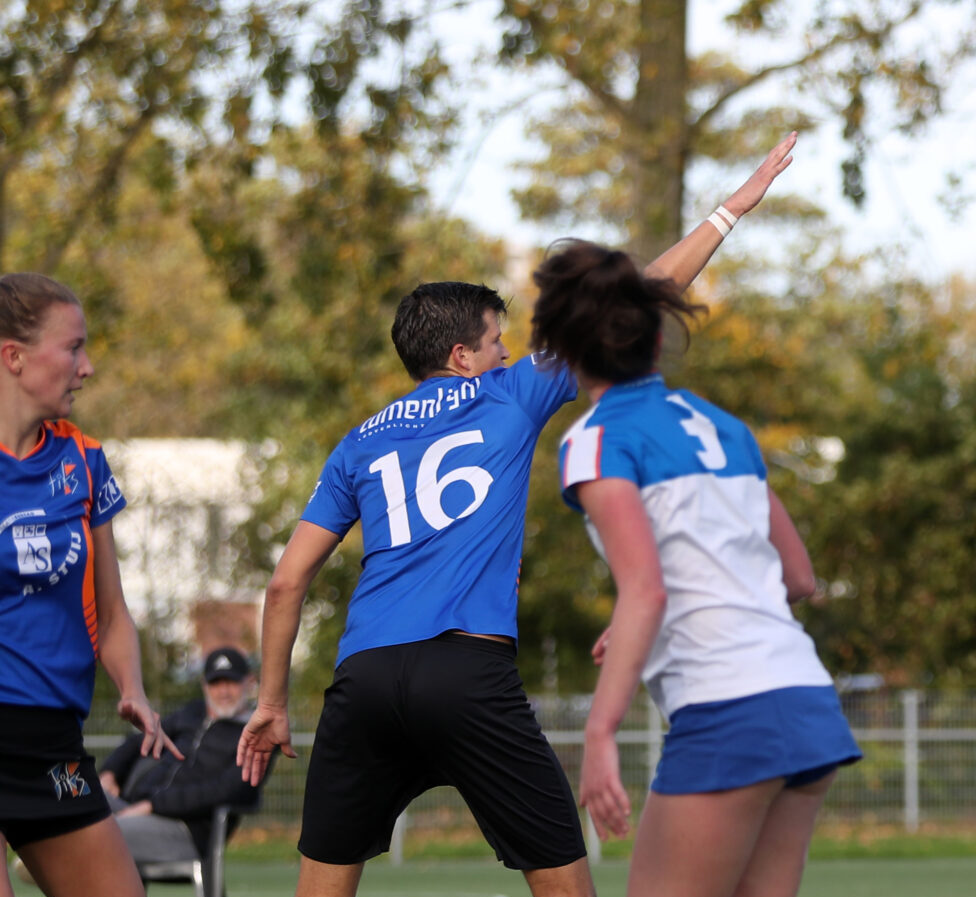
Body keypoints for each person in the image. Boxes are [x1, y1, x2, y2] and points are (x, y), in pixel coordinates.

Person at [235, 133, 801, 897]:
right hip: (465, 669)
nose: (508, 354)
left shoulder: (356, 443)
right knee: (565, 886)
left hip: (363, 677)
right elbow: (633, 299)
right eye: (497, 342)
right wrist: (732, 209)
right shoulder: (506, 395)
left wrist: (271, 702)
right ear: (464, 356)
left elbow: (286, 583)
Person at [530, 238, 860, 897]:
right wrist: (639, 625)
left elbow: (645, 590)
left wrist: (599, 734)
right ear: (656, 343)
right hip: (806, 702)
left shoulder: (595, 440)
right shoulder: (724, 426)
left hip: (728, 711)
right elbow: (796, 578)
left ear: (563, 355)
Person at [0, 272, 180, 897]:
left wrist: (132, 687)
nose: (88, 366)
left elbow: (110, 614)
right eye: (73, 347)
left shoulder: (83, 459)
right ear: (13, 356)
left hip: (49, 736)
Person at [98, 646, 265, 865]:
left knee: (94, 834)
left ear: (250, 682)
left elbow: (230, 789)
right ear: (204, 685)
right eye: (216, 682)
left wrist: (154, 805)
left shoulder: (257, 733)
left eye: (231, 682)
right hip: (136, 806)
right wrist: (110, 772)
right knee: (74, 802)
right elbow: (139, 740)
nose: (223, 691)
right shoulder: (193, 713)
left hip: (186, 830)